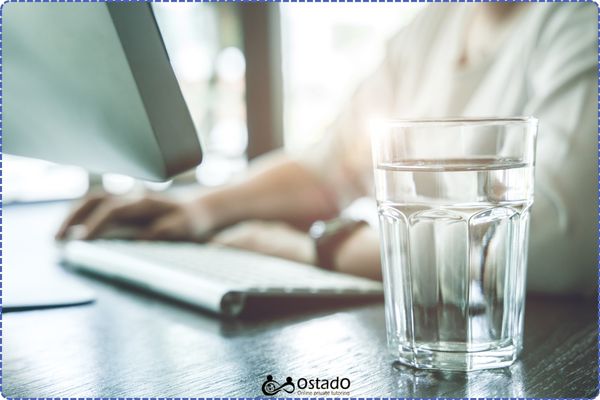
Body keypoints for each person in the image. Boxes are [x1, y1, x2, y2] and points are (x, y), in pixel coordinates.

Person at [56, 3, 597, 295]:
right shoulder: (438, 22)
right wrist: (198, 207)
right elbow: (331, 166)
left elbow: (553, 245)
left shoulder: (579, 22)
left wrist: (316, 252)